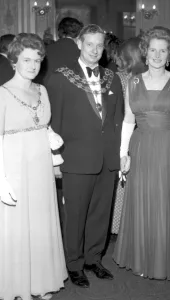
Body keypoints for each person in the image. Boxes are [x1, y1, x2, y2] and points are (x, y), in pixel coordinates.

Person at [113, 26, 170, 280]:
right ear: (145, 53)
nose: (157, 55)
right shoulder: (133, 82)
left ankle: (165, 260)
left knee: (166, 202)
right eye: (153, 50)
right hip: (141, 147)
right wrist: (122, 154)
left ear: (169, 54)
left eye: (163, 50)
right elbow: (128, 120)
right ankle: (142, 259)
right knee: (142, 201)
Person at [46, 24, 124, 288]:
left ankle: (94, 259)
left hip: (107, 159)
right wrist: (55, 158)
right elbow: (51, 121)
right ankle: (74, 264)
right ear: (78, 44)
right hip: (75, 158)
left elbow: (117, 119)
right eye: (89, 44)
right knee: (75, 215)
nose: (94, 50)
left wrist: (121, 154)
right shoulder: (60, 77)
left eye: (99, 45)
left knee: (100, 214)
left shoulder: (112, 78)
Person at [0, 33, 67, 300]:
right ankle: (17, 286)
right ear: (14, 60)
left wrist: (51, 139)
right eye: (26, 59)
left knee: (40, 225)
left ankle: (40, 282)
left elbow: (43, 124)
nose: (32, 65)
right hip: (14, 167)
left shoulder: (43, 90)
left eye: (37, 60)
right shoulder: (2, 93)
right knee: (17, 228)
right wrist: (0, 179)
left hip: (40, 166)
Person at [111, 37, 147, 235]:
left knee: (121, 184)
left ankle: (118, 226)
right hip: (145, 135)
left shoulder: (119, 78)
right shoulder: (149, 77)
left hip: (124, 134)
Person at [40, 17, 83, 84]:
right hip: (73, 89)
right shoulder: (81, 52)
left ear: (60, 31)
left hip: (51, 88)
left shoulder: (48, 48)